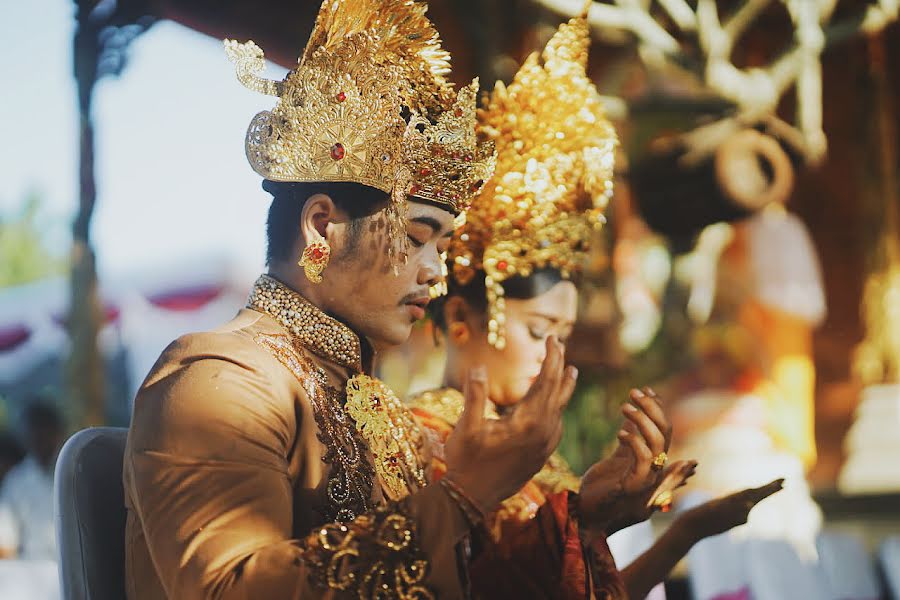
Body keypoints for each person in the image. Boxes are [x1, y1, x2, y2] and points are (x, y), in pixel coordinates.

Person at [122, 2, 665, 598]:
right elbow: (229, 590)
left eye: (443, 247)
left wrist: (588, 516)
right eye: (414, 238)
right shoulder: (223, 380)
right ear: (322, 228)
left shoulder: (377, 406)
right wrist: (461, 496)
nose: (435, 271)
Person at [409, 13, 783, 600]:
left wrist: (682, 532)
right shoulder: (424, 439)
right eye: (538, 330)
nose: (554, 354)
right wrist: (585, 514)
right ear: (460, 321)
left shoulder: (538, 457)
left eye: (564, 332)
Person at [0, 399, 65, 561]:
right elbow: (6, 543)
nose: (39, 438)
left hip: (74, 570)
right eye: (33, 432)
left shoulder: (72, 471)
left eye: (44, 431)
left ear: (57, 433)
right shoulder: (16, 481)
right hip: (32, 574)